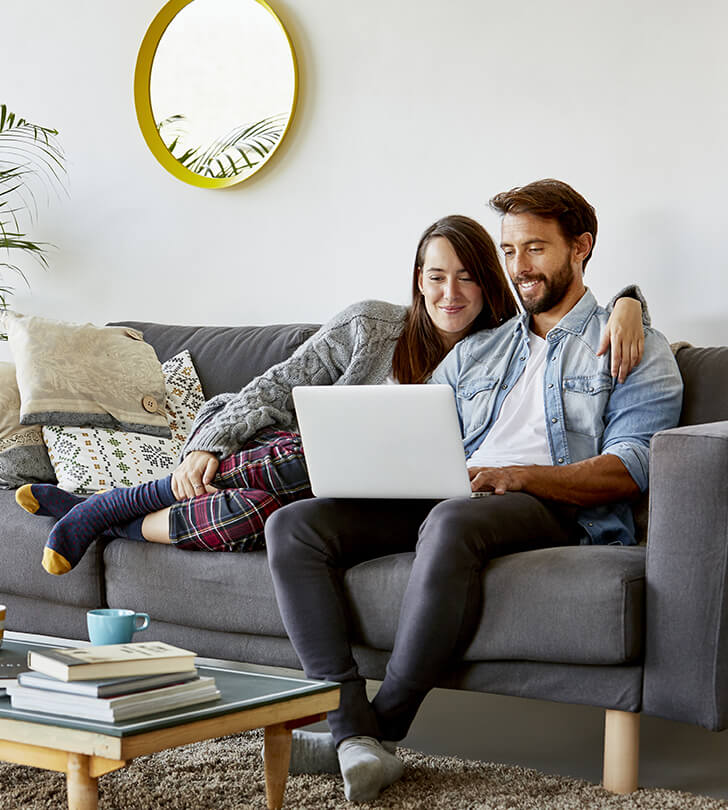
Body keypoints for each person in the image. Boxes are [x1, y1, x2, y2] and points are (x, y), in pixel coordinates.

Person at [263, 180, 683, 802]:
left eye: (536, 249)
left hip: (550, 509)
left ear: (582, 247)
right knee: (294, 525)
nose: (519, 268)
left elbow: (631, 468)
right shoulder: (477, 351)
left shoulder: (633, 347)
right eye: (510, 251)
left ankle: (381, 726)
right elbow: (419, 433)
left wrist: (519, 476)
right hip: (452, 495)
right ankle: (351, 728)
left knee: (452, 521)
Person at [17, 213, 645, 576]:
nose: (450, 294)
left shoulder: (505, 348)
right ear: (417, 281)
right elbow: (272, 388)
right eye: (435, 277)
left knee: (252, 518)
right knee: (295, 457)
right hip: (295, 459)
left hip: (353, 502)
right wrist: (206, 444)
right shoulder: (371, 326)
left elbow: (568, 319)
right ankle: (106, 507)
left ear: (491, 284)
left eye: (468, 279)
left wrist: (629, 301)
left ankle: (105, 516)